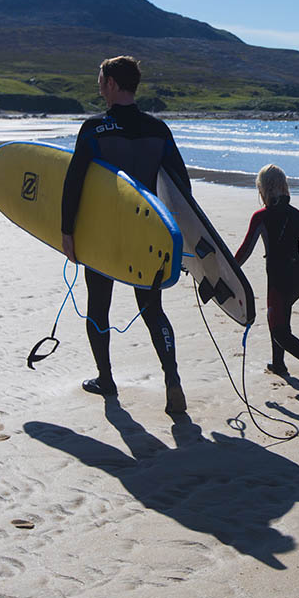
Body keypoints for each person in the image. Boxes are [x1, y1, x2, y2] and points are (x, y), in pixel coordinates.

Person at [61, 56, 190, 414]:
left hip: (102, 235)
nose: (98, 85)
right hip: (147, 234)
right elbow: (182, 188)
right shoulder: (158, 130)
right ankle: (172, 378)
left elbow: (73, 184)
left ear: (114, 84)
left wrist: (67, 231)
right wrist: (180, 239)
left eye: (101, 79)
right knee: (152, 310)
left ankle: (106, 378)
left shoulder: (93, 129)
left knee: (97, 309)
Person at [234, 164, 299, 396]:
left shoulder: (261, 217)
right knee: (280, 317)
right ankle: (278, 364)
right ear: (285, 187)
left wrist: (229, 270)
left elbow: (245, 250)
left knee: (278, 329)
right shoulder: (297, 215)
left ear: (262, 190)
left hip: (278, 278)